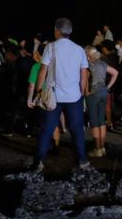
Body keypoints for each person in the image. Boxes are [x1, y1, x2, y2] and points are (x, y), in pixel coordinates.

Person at [32, 18, 90, 171]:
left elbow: (42, 71)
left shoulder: (50, 47)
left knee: (47, 129)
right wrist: (81, 92)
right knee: (77, 130)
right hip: (74, 96)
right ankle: (83, 160)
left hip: (54, 96)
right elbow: (84, 73)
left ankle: (39, 161)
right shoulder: (79, 49)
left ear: (57, 31)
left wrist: (38, 91)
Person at [84, 46, 118, 157]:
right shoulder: (103, 64)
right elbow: (115, 73)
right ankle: (102, 148)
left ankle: (97, 149)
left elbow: (84, 81)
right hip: (104, 92)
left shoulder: (88, 66)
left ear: (89, 55)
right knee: (101, 120)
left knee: (94, 122)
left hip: (93, 94)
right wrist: (108, 87)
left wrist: (85, 93)